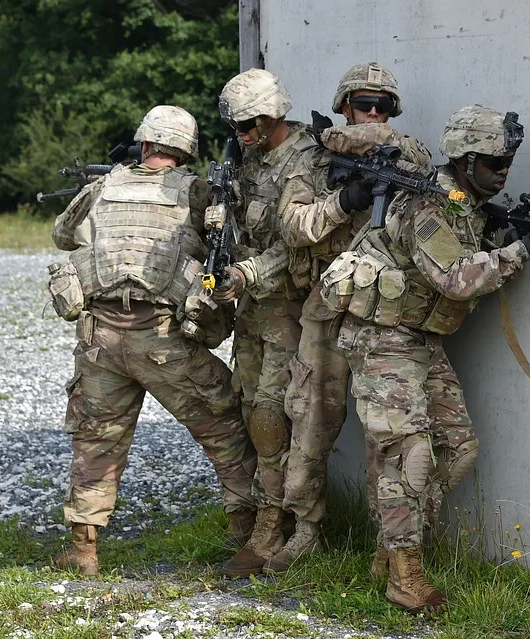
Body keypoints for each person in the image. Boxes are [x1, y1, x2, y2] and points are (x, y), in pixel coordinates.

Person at [319, 105, 530, 611]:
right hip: (382, 339)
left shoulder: (465, 201)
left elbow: (484, 238)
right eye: (491, 162)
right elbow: (457, 280)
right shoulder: (430, 205)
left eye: (507, 161)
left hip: (419, 341)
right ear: (464, 161)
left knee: (458, 450)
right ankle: (405, 575)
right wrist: (524, 250)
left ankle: (389, 549)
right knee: (409, 457)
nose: (502, 170)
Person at [49, 105, 257, 576]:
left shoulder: (102, 187)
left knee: (96, 440)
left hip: (100, 337)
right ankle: (247, 538)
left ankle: (83, 550)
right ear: (186, 152)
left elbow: (64, 235)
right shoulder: (198, 191)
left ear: (144, 144)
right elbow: (227, 249)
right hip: (164, 340)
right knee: (224, 429)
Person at [267, 62, 430, 574]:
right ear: (343, 105)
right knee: (309, 421)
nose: (375, 113)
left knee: (389, 434)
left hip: (385, 318)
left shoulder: (409, 157)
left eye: (384, 106)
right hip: (326, 310)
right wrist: (344, 201)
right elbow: (294, 227)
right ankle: (305, 529)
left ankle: (390, 545)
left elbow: (429, 188)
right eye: (365, 104)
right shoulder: (313, 160)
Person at [208, 69, 318, 577]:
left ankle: (274, 526)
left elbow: (298, 240)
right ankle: (267, 514)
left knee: (272, 415)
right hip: (252, 307)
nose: (242, 136)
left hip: (287, 307)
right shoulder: (249, 159)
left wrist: (248, 270)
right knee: (248, 406)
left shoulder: (303, 160)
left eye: (250, 125)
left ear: (273, 115)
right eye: (236, 127)